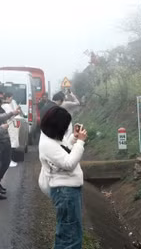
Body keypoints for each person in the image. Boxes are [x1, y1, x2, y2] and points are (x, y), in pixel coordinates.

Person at [39, 106, 88, 249]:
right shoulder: (47, 144)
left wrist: (73, 138)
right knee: (71, 236)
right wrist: (80, 142)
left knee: (67, 232)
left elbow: (63, 149)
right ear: (57, 126)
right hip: (65, 192)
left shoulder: (49, 136)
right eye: (65, 127)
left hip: (66, 190)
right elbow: (69, 163)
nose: (65, 129)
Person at [0, 92, 21, 190]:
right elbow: (1, 118)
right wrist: (13, 113)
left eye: (2, 98)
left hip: (5, 138)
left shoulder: (1, 108)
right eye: (0, 99)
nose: (2, 100)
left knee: (5, 162)